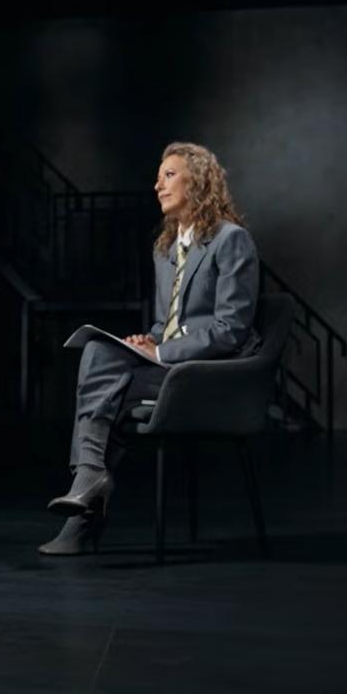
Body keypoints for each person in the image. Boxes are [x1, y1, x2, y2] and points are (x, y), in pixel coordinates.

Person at [39, 142, 262, 556]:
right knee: (98, 352)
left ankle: (85, 508)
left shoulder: (231, 240)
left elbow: (230, 330)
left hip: (211, 375)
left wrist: (161, 354)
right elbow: (167, 324)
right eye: (158, 177)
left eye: (169, 175)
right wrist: (151, 340)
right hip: (171, 366)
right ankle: (89, 482)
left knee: (106, 389)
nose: (157, 185)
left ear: (199, 181)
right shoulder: (167, 249)